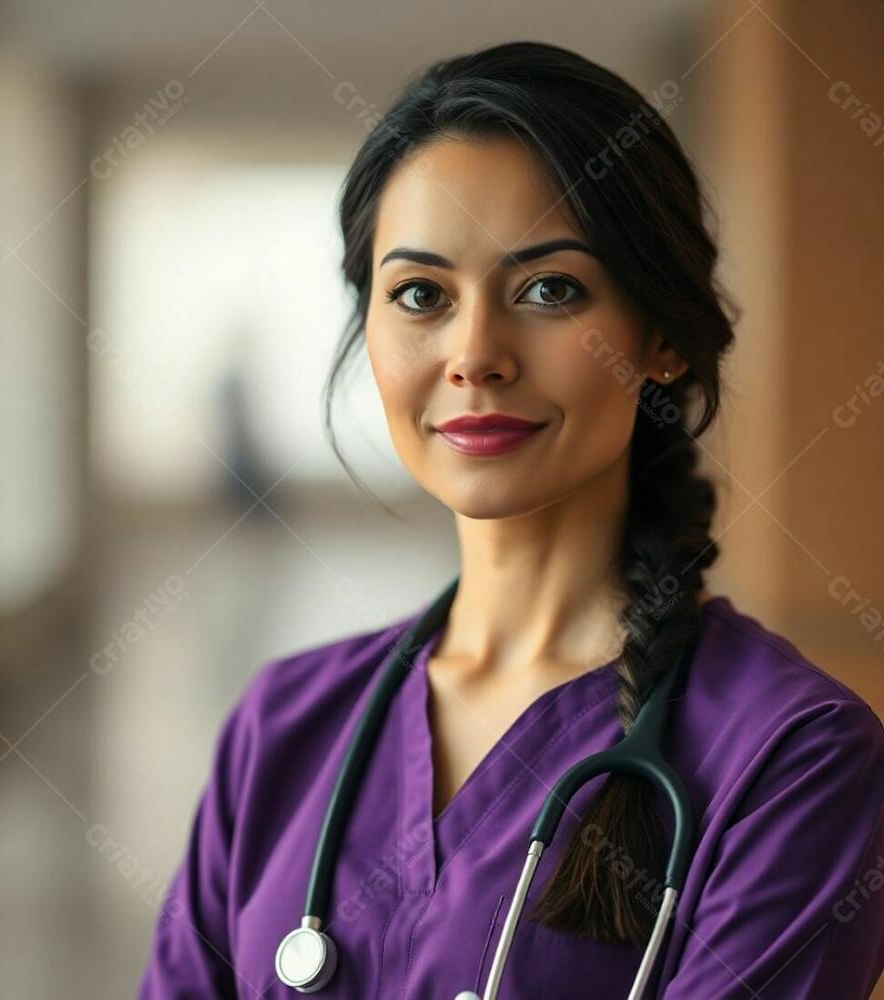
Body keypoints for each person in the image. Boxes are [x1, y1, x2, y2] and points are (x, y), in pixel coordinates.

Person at [138, 40, 884, 999]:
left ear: (657, 338)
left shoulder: (792, 757)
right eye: (421, 296)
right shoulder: (283, 728)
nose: (475, 354)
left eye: (548, 289)